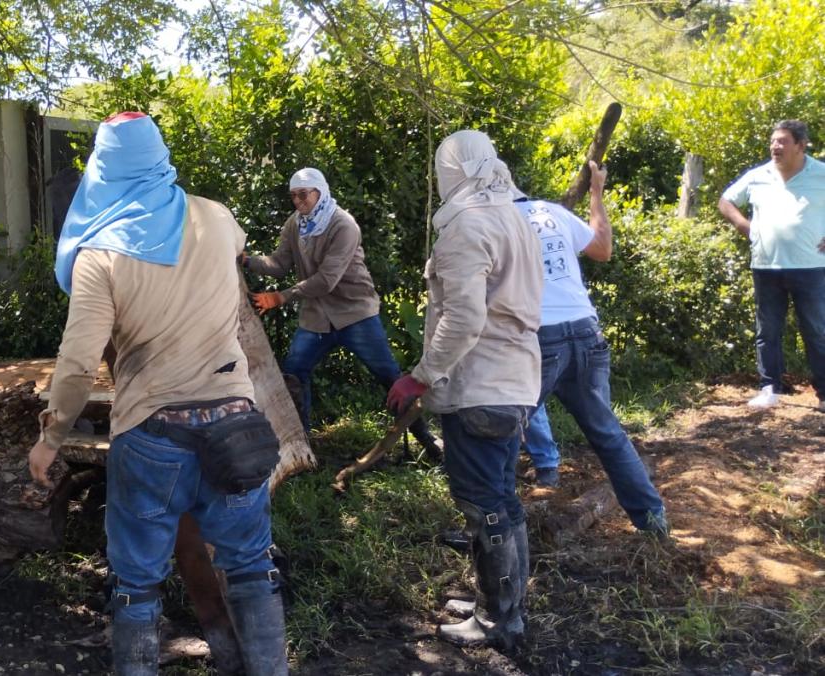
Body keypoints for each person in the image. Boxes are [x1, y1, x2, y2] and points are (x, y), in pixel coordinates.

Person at [27, 113, 287, 675]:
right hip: (235, 423)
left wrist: (50, 439)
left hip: (151, 434)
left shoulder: (99, 255)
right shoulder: (217, 218)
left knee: (137, 581)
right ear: (159, 156)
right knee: (251, 566)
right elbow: (237, 252)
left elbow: (77, 362)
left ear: (103, 168)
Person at [385, 130, 542, 650]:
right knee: (502, 499)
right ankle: (500, 603)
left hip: (479, 384)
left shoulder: (466, 227)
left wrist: (421, 374)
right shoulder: (515, 218)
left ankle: (500, 621)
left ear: (450, 170)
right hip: (516, 382)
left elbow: (465, 316)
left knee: (485, 505)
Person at [513, 162, 669, 535]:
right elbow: (602, 248)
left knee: (504, 433)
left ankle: (494, 529)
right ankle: (653, 521)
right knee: (607, 432)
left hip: (539, 338)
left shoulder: (497, 220)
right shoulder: (553, 212)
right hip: (586, 332)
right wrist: (597, 194)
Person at [243, 168, 441, 452]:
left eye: (303, 195)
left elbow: (326, 280)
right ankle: (301, 444)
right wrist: (247, 260)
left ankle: (427, 440)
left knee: (388, 375)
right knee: (295, 374)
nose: (298, 201)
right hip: (317, 318)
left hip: (355, 313)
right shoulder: (295, 224)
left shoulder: (342, 225)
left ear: (319, 193)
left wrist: (280, 298)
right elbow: (279, 263)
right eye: (293, 196)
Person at [718, 119, 825, 411]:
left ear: (800, 146)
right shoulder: (758, 176)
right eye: (773, 141)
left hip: (811, 267)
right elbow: (726, 201)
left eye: (782, 141)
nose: (775, 146)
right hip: (766, 266)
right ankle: (769, 388)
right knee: (768, 331)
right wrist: (744, 226)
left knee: (817, 330)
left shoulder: (820, 173)